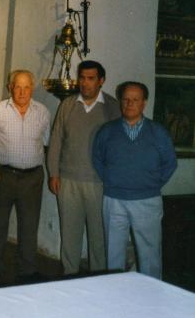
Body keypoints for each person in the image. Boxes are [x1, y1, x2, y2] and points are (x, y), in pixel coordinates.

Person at [93, 81, 177, 279]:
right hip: (114, 200)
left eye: (135, 100)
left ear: (144, 103)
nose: (129, 104)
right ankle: (115, 292)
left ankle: (151, 293)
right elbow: (97, 160)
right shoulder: (107, 131)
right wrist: (113, 181)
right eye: (126, 99)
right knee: (113, 254)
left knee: (150, 256)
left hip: (147, 201)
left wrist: (150, 184)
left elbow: (170, 163)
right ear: (121, 102)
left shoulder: (158, 133)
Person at [47, 60, 120, 275]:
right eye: (82, 78)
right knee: (70, 233)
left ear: (101, 81)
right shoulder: (68, 105)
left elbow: (118, 145)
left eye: (90, 78)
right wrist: (53, 173)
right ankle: (70, 275)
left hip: (99, 182)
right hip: (68, 180)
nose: (85, 83)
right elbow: (56, 140)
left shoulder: (112, 107)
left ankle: (98, 277)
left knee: (99, 236)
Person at [0, 70, 50, 283]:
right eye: (17, 87)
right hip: (4, 176)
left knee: (29, 225)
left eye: (26, 87)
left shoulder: (42, 112)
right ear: (10, 87)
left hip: (32, 178)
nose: (22, 92)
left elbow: (45, 143)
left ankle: (27, 270)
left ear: (32, 88)